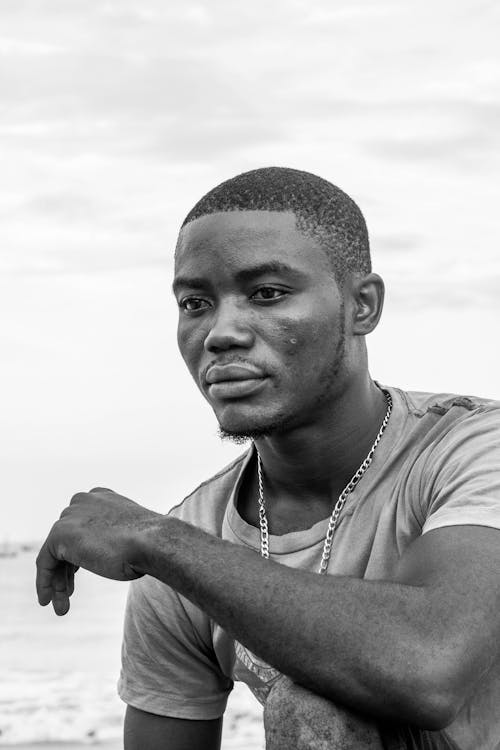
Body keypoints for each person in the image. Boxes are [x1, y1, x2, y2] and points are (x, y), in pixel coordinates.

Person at [36, 167, 500, 750]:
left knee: (319, 702)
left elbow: (430, 668)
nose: (220, 333)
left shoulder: (474, 447)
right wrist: (166, 546)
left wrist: (157, 541)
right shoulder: (191, 541)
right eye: (195, 302)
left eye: (267, 294)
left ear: (361, 305)